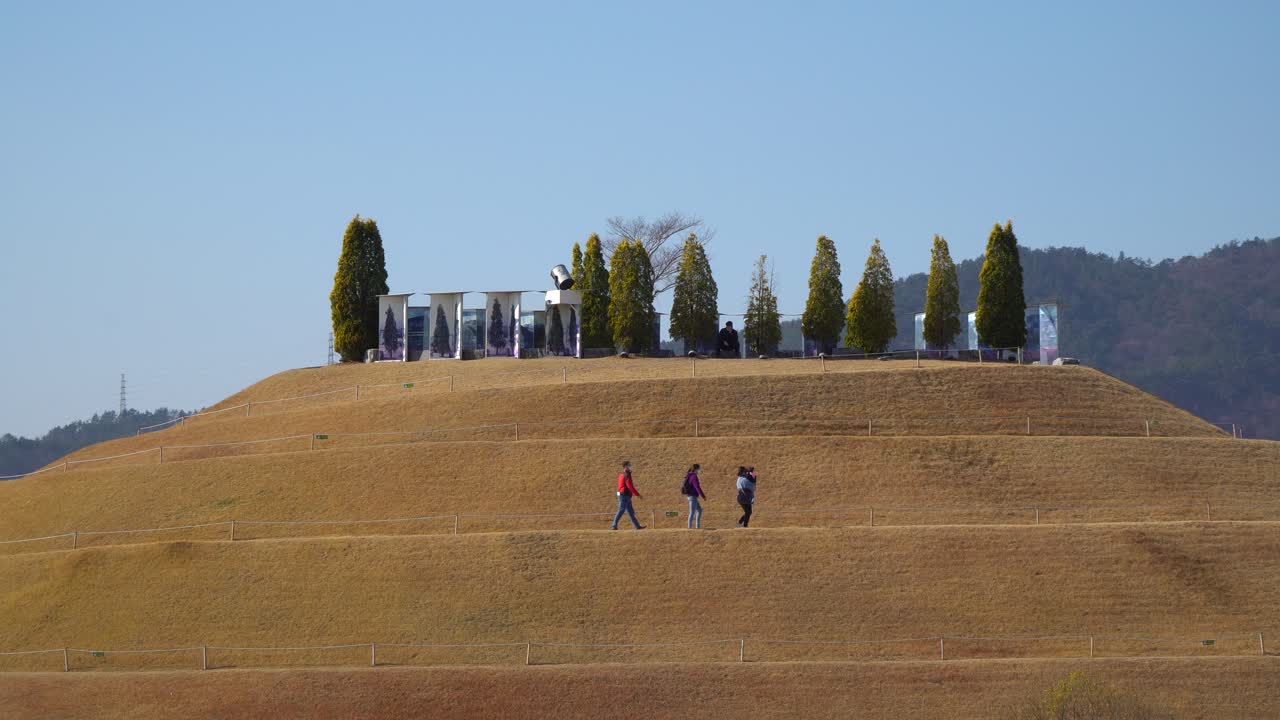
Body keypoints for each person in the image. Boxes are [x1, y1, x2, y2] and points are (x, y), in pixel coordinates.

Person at [611, 460, 646, 530]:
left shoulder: (623, 474)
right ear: (626, 466)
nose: (631, 466)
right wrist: (637, 494)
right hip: (623, 495)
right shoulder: (627, 475)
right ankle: (614, 525)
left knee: (630, 511)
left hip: (624, 495)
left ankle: (637, 526)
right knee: (621, 509)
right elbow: (630, 486)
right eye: (630, 465)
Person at [682, 464, 707, 529]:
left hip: (692, 496)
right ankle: (689, 528)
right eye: (699, 469)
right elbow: (697, 487)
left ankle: (697, 527)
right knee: (692, 512)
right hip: (692, 497)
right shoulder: (694, 476)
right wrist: (703, 496)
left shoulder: (689, 475)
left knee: (699, 510)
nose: (700, 470)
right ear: (696, 469)